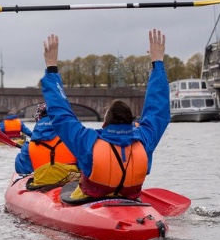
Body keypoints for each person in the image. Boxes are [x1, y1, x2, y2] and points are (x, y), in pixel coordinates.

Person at [40, 29, 170, 201]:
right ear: (131, 123)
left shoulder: (88, 141)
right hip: (130, 200)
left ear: (104, 124)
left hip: (92, 200)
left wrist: (51, 69)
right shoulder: (144, 139)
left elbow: (61, 114)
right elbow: (158, 108)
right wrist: (157, 63)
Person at [14, 104, 79, 187]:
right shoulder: (74, 138)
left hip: (43, 182)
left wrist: (24, 151)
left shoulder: (30, 144)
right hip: (71, 181)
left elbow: (21, 169)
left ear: (38, 117)